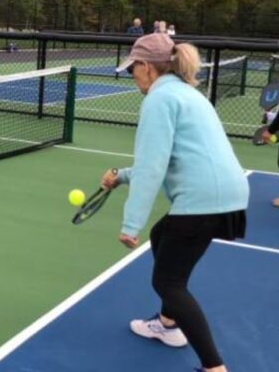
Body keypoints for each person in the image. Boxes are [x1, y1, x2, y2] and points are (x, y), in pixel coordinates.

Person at [102, 33, 248, 372]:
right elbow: (166, 158)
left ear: (148, 67)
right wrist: (122, 175)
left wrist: (129, 223)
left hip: (203, 200)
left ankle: (215, 368)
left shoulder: (158, 100)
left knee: (168, 282)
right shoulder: (185, 93)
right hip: (228, 194)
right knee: (162, 234)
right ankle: (168, 324)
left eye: (132, 69)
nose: (132, 75)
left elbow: (153, 167)